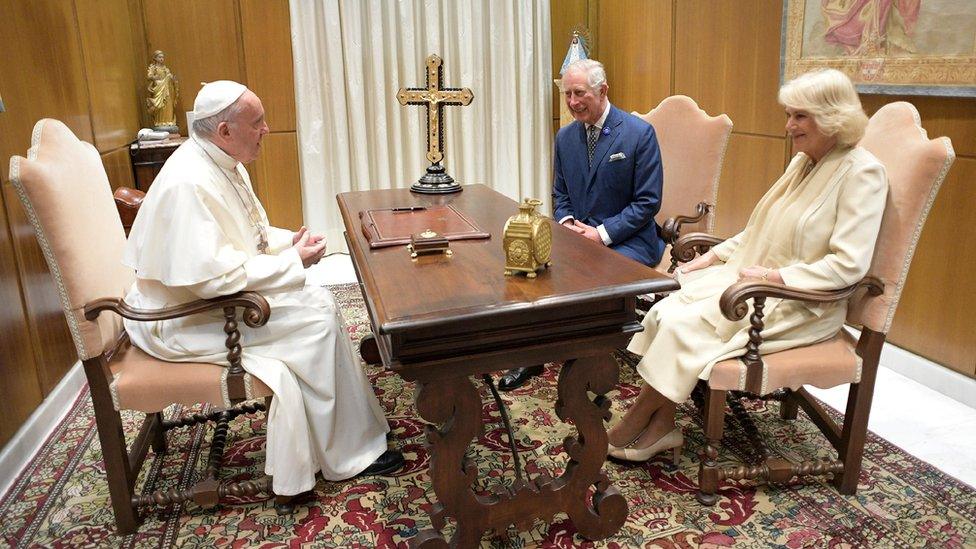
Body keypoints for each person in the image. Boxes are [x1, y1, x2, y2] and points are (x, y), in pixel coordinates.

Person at [122, 81, 403, 501]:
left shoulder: (220, 160)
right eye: (257, 122)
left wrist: (288, 243)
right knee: (316, 321)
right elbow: (212, 280)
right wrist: (294, 263)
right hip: (182, 319)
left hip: (206, 303)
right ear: (225, 131)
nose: (267, 130)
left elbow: (239, 238)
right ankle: (349, 454)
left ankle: (357, 429)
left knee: (319, 301)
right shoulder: (189, 182)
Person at [607, 68, 887, 462]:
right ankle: (660, 425)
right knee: (667, 310)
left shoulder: (864, 174)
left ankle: (638, 422)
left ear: (832, 116)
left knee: (684, 326)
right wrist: (714, 256)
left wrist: (775, 277)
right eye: (789, 114)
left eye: (799, 116)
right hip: (758, 284)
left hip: (803, 302)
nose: (788, 126)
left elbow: (848, 266)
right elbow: (760, 228)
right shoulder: (804, 163)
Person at [499, 58, 665, 391]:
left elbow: (647, 203)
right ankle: (531, 355)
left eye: (579, 94)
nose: (572, 102)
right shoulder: (564, 137)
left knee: (586, 278)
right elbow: (560, 193)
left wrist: (601, 234)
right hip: (577, 236)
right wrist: (568, 223)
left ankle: (585, 362)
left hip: (628, 239)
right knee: (531, 270)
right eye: (567, 94)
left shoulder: (638, 134)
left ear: (602, 91)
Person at [146, 50, 179, 131]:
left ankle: (168, 121)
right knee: (160, 106)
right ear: (155, 58)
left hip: (167, 90)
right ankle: (160, 122)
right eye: (160, 57)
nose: (162, 59)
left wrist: (172, 79)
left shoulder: (165, 69)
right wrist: (155, 78)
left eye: (162, 57)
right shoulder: (153, 68)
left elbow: (170, 77)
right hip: (159, 89)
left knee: (167, 104)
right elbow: (149, 76)